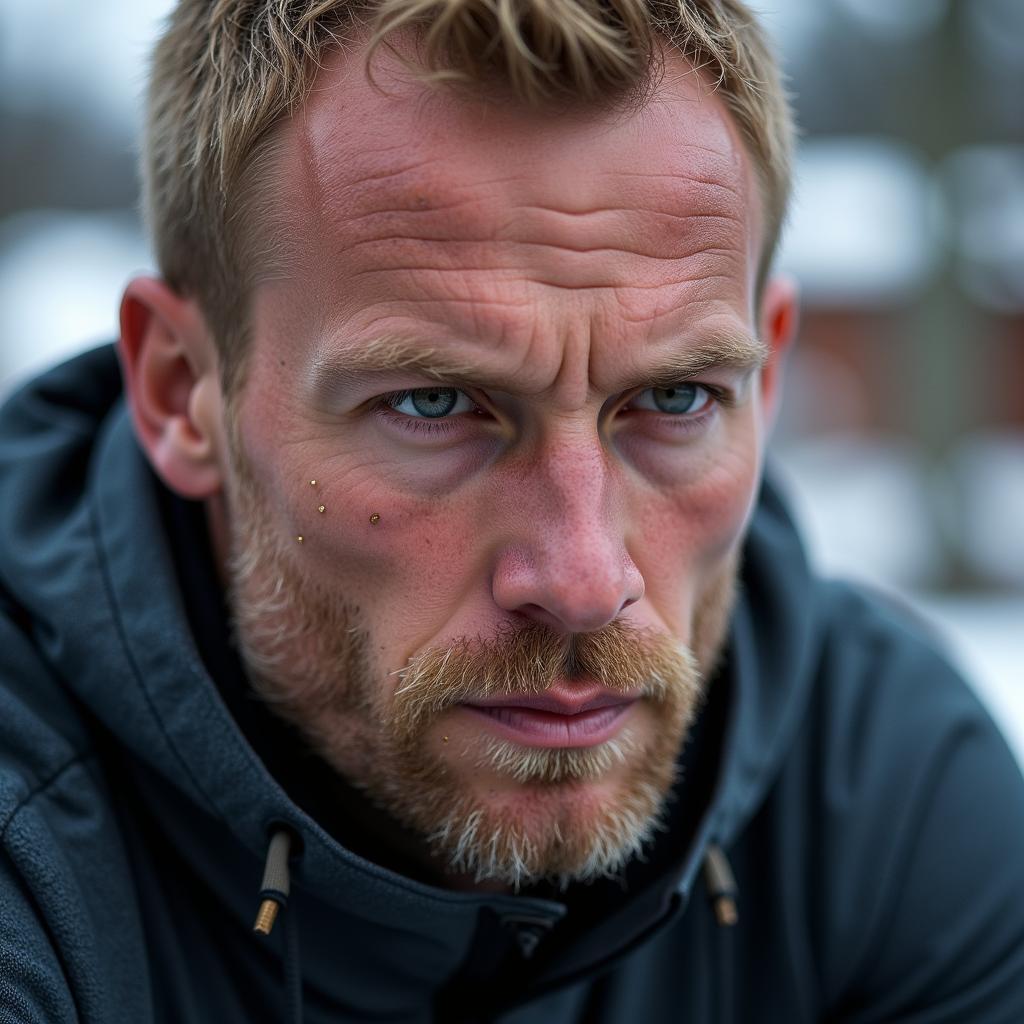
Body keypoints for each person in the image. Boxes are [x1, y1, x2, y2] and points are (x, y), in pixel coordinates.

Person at [1, 0, 1023, 1020]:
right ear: (183, 391)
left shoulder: (887, 790)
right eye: (432, 404)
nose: (584, 581)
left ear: (767, 373)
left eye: (673, 398)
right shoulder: (31, 848)